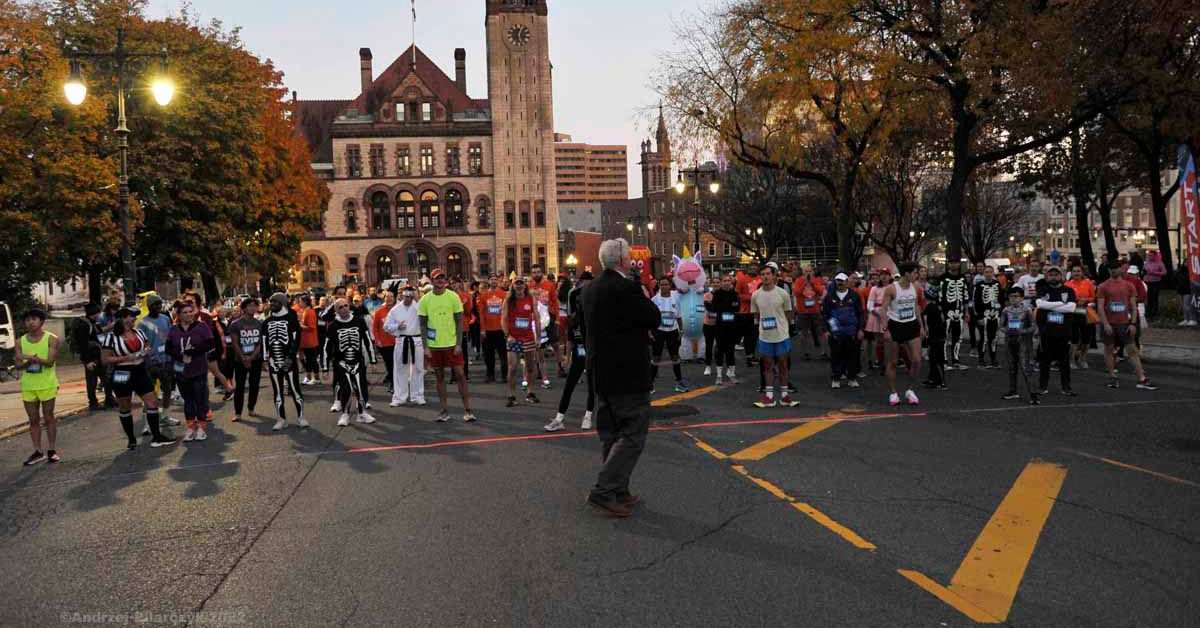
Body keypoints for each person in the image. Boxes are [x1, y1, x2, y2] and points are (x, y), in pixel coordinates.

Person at [581, 238, 661, 518]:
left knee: (610, 433)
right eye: (629, 257)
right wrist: (642, 293)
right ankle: (604, 489)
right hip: (628, 371)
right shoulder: (627, 288)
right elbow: (653, 318)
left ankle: (618, 489)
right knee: (633, 433)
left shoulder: (589, 289)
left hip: (600, 370)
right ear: (622, 261)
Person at [101, 307, 176, 449]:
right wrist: (126, 357)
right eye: (132, 316)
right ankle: (131, 439)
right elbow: (105, 359)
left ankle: (156, 436)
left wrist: (145, 351)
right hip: (122, 372)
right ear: (123, 318)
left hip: (140, 369)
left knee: (152, 401)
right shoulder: (111, 337)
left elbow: (147, 346)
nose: (135, 319)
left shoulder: (139, 332)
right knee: (125, 405)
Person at [419, 269, 475, 422]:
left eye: (443, 278)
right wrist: (426, 347)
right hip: (435, 346)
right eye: (437, 278)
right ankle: (444, 410)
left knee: (460, 375)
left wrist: (458, 343)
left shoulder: (453, 297)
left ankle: (468, 410)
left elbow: (459, 321)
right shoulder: (425, 300)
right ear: (432, 280)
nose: (440, 280)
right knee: (440, 377)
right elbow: (422, 325)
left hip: (452, 345)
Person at [167, 301, 224, 442]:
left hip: (198, 368)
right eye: (184, 312)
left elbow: (210, 343)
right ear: (178, 315)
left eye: (190, 311)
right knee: (188, 400)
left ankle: (201, 428)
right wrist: (180, 356)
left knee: (200, 399)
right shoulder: (174, 329)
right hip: (181, 370)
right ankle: (191, 427)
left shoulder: (201, 327)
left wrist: (193, 352)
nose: (188, 315)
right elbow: (168, 349)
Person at [546, 271, 595, 432]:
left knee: (592, 385)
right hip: (580, 352)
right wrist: (567, 357)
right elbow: (570, 337)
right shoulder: (575, 319)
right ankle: (560, 417)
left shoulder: (595, 317)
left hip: (594, 352)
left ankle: (588, 415)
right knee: (570, 384)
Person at [1097, 262, 1157, 390]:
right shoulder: (1103, 286)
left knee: (1132, 350)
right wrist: (1106, 323)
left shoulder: (1129, 285)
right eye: (1111, 268)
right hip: (1109, 323)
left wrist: (1133, 323)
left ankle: (1142, 378)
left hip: (1124, 323)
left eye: (1116, 268)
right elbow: (1100, 307)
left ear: (1121, 269)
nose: (1113, 271)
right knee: (1109, 350)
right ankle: (1112, 377)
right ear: (1108, 270)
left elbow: (1134, 307)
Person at [16, 309, 61, 465]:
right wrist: (27, 362)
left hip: (47, 384)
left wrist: (30, 358)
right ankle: (37, 451)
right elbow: (17, 364)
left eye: (34, 319)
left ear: (41, 321)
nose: (30, 322)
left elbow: (50, 362)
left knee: (49, 417)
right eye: (27, 320)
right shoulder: (20, 341)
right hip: (28, 385)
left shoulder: (51, 339)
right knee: (33, 419)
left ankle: (52, 450)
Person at [750, 264, 797, 408]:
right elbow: (756, 315)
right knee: (767, 366)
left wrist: (786, 328)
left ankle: (785, 396)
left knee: (783, 365)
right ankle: (769, 396)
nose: (765, 277)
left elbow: (789, 313)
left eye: (768, 274)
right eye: (762, 274)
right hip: (765, 336)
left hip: (782, 335)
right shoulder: (756, 295)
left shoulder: (782, 293)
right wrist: (760, 328)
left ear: (774, 275)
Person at [880, 262, 926, 406]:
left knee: (917, 360)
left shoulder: (916, 287)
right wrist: (885, 329)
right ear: (906, 273)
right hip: (895, 326)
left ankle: (910, 390)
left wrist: (921, 325)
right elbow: (883, 309)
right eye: (915, 272)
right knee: (892, 362)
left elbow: (916, 306)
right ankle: (893, 393)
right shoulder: (891, 289)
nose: (917, 275)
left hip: (911, 325)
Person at [328, 298, 378, 426]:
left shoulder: (359, 321)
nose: (344, 308)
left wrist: (373, 360)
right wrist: (324, 367)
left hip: (358, 360)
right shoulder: (333, 325)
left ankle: (361, 413)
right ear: (336, 310)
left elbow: (367, 340)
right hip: (341, 363)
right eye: (340, 307)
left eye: (346, 305)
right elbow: (326, 347)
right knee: (347, 389)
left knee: (361, 388)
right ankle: (345, 414)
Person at [264, 292, 307, 430]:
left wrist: (291, 356)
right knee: (277, 391)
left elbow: (296, 339)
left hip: (289, 360)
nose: (272, 304)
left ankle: (301, 417)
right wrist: (265, 359)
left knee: (295, 389)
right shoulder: (267, 322)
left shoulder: (291, 319)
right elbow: (264, 341)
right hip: (273, 361)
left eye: (275, 302)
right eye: (271, 302)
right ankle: (281, 418)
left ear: (282, 303)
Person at [1035, 266, 1077, 396]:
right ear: (1047, 276)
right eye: (1051, 274)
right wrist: (1061, 305)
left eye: (1056, 274)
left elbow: (1071, 308)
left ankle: (1066, 387)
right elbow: (1040, 305)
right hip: (1046, 331)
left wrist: (1050, 306)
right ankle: (1043, 386)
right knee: (1044, 361)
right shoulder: (1043, 290)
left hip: (1063, 331)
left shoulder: (1069, 290)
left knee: (1064, 361)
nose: (1054, 276)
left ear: (1061, 276)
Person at [502, 276, 541, 407]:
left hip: (528, 337)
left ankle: (530, 393)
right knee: (513, 367)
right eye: (516, 284)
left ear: (525, 285)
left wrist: (539, 337)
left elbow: (537, 317)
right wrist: (508, 335)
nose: (519, 286)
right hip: (514, 338)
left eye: (521, 284)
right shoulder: (508, 300)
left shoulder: (530, 298)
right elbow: (503, 319)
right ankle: (511, 395)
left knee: (530, 366)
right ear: (512, 286)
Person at [385, 285, 426, 406]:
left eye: (410, 296)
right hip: (401, 340)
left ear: (413, 295)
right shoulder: (395, 310)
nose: (408, 298)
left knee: (418, 369)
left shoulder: (419, 308)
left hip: (416, 340)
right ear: (402, 295)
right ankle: (399, 397)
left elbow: (426, 323)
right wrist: (397, 326)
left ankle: (417, 395)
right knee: (400, 369)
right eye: (405, 296)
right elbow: (386, 326)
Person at [821, 272, 864, 388]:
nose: (840, 283)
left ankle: (852, 378)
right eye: (837, 281)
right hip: (835, 332)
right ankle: (836, 378)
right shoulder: (829, 297)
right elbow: (825, 314)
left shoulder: (854, 296)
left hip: (851, 332)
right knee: (836, 355)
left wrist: (860, 329)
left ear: (847, 282)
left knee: (852, 355)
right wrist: (826, 330)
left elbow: (860, 313)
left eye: (842, 281)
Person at [227, 298, 264, 422]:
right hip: (240, 360)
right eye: (250, 306)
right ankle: (238, 413)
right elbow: (235, 343)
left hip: (256, 359)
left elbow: (260, 343)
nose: (253, 308)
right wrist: (243, 357)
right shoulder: (235, 324)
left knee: (254, 385)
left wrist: (252, 357)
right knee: (240, 386)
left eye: (255, 306)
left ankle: (251, 408)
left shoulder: (259, 324)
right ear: (243, 308)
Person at [649, 276, 689, 393]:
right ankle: (650, 384)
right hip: (659, 331)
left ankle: (679, 383)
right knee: (656, 357)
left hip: (673, 331)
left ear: (670, 285)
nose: (664, 286)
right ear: (659, 286)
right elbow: (651, 318)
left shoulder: (675, 297)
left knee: (675, 357)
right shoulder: (654, 300)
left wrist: (681, 331)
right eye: (661, 284)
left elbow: (679, 316)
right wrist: (650, 332)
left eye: (666, 284)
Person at [1001, 287, 1037, 401]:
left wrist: (1023, 331)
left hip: (1023, 342)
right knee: (1012, 367)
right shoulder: (1006, 310)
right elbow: (1001, 325)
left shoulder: (1027, 310)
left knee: (1026, 368)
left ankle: (1033, 394)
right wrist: (1007, 330)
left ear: (1021, 297)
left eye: (1016, 296)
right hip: (1009, 340)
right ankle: (1013, 391)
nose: (1013, 299)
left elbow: (1033, 326)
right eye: (1011, 296)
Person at [528, 264, 562, 386]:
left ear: (541, 273)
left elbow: (555, 302)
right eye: (534, 272)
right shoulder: (529, 286)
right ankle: (538, 370)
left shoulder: (549, 285)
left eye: (538, 272)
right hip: (535, 319)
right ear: (531, 274)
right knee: (538, 345)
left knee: (556, 343)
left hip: (549, 317)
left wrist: (557, 318)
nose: (536, 274)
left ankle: (560, 367)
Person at [72, 304, 107, 411]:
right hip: (91, 357)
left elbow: (99, 332)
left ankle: (107, 399)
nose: (100, 314)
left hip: (97, 355)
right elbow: (83, 344)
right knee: (92, 380)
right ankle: (93, 402)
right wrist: (87, 361)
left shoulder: (92, 323)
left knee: (103, 377)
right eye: (99, 312)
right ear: (95, 313)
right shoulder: (85, 325)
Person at [708, 273, 741, 385]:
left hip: (732, 326)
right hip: (720, 327)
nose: (727, 282)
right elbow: (714, 308)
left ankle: (732, 374)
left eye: (729, 280)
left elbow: (737, 307)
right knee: (720, 351)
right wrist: (727, 307)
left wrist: (726, 307)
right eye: (725, 281)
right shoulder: (717, 294)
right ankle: (719, 376)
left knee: (730, 351)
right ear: (721, 283)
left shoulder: (735, 294)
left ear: (731, 282)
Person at [938, 262, 970, 370]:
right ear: (949, 265)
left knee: (958, 337)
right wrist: (941, 312)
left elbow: (965, 296)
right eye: (951, 263)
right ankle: (944, 361)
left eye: (956, 262)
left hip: (959, 312)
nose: (954, 265)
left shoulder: (962, 278)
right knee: (944, 337)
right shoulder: (942, 278)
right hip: (946, 312)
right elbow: (939, 297)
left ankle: (956, 360)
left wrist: (966, 312)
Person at [792, 264, 827, 360]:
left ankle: (823, 352)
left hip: (815, 310)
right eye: (806, 271)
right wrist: (805, 283)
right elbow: (797, 293)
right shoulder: (799, 281)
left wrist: (812, 284)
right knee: (804, 332)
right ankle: (806, 352)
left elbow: (820, 292)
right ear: (803, 272)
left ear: (813, 272)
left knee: (820, 331)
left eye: (810, 271)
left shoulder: (816, 280)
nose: (808, 273)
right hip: (803, 310)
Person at [1065, 264, 1097, 369]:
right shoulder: (1067, 284)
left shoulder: (1088, 283)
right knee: (1073, 339)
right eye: (1074, 271)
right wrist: (1075, 300)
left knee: (1086, 339)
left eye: (1078, 271)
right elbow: (1064, 299)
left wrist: (1086, 300)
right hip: (1072, 314)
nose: (1076, 273)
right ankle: (1071, 360)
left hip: (1086, 314)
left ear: (1082, 272)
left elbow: (1093, 297)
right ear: (1071, 273)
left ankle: (1082, 359)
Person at [479, 275, 509, 382]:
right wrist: (482, 329)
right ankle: (490, 375)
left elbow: (507, 313)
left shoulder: (504, 294)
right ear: (488, 281)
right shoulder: (483, 295)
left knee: (503, 354)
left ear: (498, 281)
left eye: (495, 279)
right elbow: (481, 314)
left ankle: (504, 375)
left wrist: (507, 328)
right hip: (488, 329)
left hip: (501, 329)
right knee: (489, 355)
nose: (493, 281)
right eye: (491, 279)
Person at [971, 266, 1003, 368]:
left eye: (990, 272)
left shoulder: (997, 284)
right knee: (983, 338)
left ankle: (993, 360)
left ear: (993, 273)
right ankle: (981, 360)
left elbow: (1001, 299)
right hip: (983, 316)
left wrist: (1001, 314)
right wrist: (979, 317)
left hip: (995, 315)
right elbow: (975, 302)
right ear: (983, 273)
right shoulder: (979, 285)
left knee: (993, 338)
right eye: (986, 272)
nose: (988, 274)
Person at [921, 284, 947, 389]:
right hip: (940, 335)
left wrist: (926, 336)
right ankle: (932, 379)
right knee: (934, 357)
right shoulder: (938, 307)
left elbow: (927, 324)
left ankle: (941, 381)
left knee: (935, 358)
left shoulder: (929, 307)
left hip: (934, 336)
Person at [372, 290, 397, 394]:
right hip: (384, 344)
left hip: (397, 342)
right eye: (387, 296)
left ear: (394, 298)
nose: (389, 298)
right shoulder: (379, 312)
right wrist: (377, 340)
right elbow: (375, 328)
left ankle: (397, 383)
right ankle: (392, 383)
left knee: (397, 365)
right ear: (384, 298)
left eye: (391, 296)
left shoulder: (398, 310)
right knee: (390, 364)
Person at [864, 269, 889, 371]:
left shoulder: (893, 287)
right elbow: (869, 304)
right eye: (882, 275)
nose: (884, 277)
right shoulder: (874, 288)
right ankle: (881, 362)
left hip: (890, 315)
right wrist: (877, 312)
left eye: (886, 275)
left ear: (890, 276)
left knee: (889, 341)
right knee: (879, 341)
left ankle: (888, 361)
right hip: (877, 315)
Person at [736, 267, 760, 366]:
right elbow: (737, 294)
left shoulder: (761, 279)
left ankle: (753, 355)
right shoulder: (742, 280)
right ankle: (749, 356)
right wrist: (751, 298)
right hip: (745, 312)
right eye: (751, 267)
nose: (753, 269)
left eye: (755, 268)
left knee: (755, 335)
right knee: (747, 335)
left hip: (757, 312)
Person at [298, 295, 320, 385]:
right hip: (307, 340)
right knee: (310, 359)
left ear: (305, 302)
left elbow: (311, 327)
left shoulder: (309, 312)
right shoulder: (306, 311)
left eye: (300, 301)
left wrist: (300, 325)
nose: (299, 303)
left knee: (312, 359)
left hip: (310, 340)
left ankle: (316, 378)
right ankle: (309, 377)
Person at [1143, 251, 1166, 320]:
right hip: (1147, 282)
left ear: (1155, 256)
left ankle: (1154, 313)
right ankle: (1148, 313)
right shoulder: (1146, 262)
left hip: (1155, 282)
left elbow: (1164, 272)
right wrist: (1143, 272)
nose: (1150, 257)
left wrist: (1154, 273)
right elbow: (1144, 270)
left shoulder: (1160, 263)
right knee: (1148, 298)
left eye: (1151, 255)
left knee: (1154, 298)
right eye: (1149, 255)